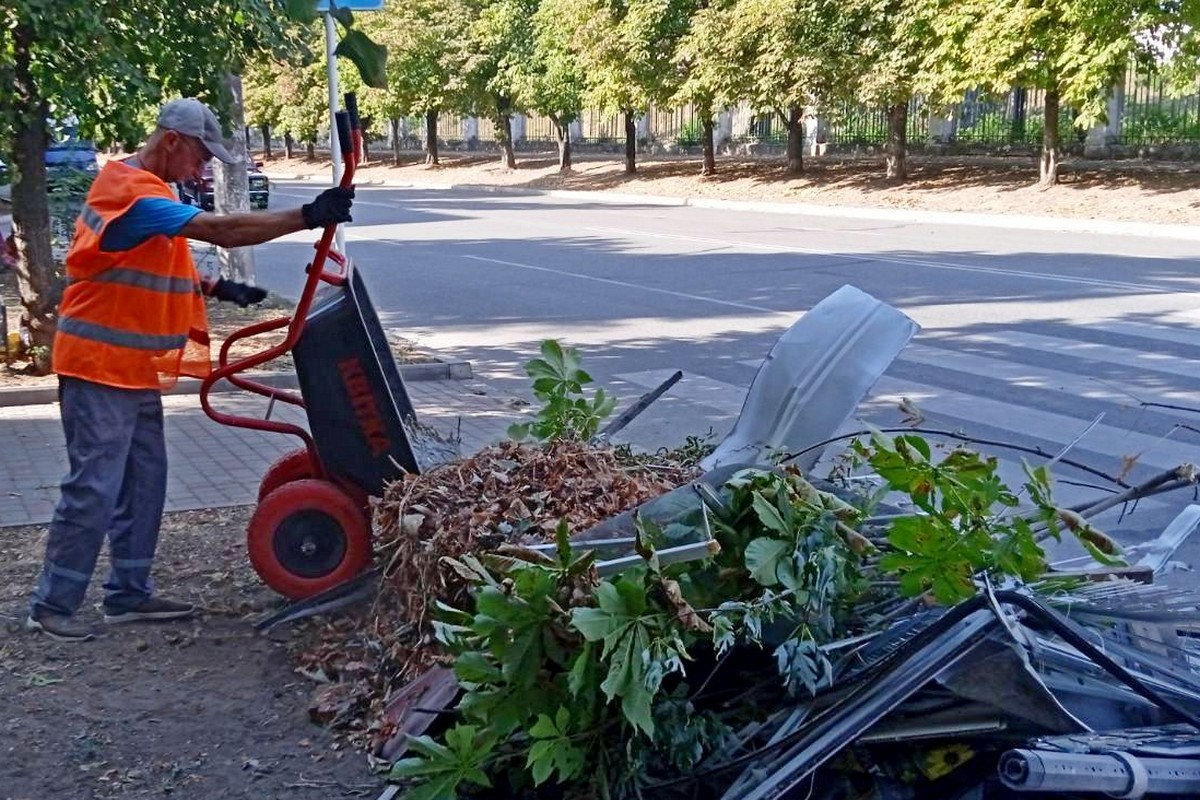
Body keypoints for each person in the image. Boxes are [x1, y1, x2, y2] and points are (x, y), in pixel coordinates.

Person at [26, 97, 355, 642]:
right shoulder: (132, 195)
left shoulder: (149, 192)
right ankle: (52, 605)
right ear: (172, 141)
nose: (201, 170)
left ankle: (127, 596)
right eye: (200, 156)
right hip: (97, 366)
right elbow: (221, 231)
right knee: (95, 487)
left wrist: (218, 287)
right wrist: (306, 216)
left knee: (145, 482)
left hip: (129, 368)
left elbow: (138, 262)